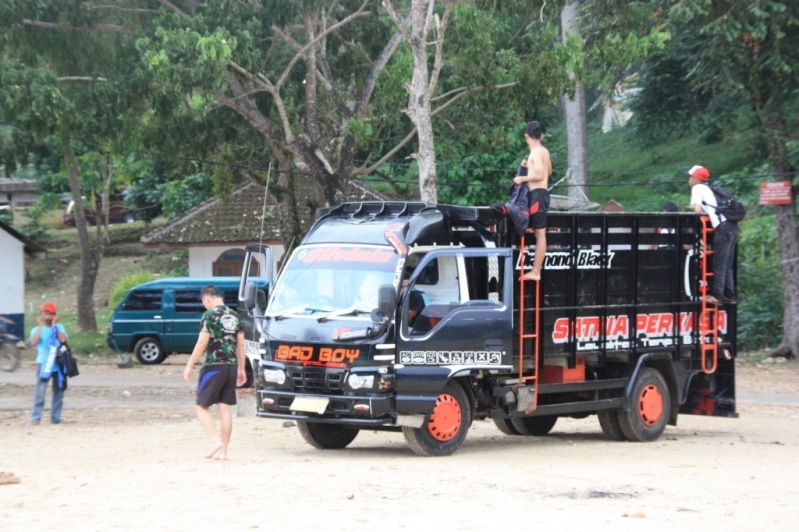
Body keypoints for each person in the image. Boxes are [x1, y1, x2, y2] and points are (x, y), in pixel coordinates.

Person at [183, 285, 247, 460]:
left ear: (207, 300)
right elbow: (241, 345)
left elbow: (202, 342)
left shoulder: (209, 315)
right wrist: (242, 369)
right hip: (232, 367)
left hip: (214, 366)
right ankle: (223, 452)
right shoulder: (236, 316)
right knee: (224, 409)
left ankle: (214, 441)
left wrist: (189, 365)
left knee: (201, 406)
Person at [687, 165, 738, 305]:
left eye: (690, 177)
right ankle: (730, 295)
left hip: (722, 229)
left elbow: (697, 210)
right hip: (732, 228)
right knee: (727, 265)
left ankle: (717, 296)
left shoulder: (697, 188)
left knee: (719, 264)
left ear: (696, 179)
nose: (689, 180)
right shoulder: (711, 188)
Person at [516, 121, 552, 281]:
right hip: (541, 194)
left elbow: (540, 175)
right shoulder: (544, 151)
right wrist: (529, 166)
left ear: (526, 136)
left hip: (537, 194)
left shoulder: (536, 152)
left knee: (540, 233)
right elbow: (548, 170)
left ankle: (536, 271)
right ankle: (531, 265)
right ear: (542, 135)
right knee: (535, 230)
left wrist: (522, 177)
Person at [28, 302, 68, 424]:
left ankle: (55, 418)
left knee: (59, 392)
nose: (48, 317)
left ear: (55, 315)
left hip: (58, 365)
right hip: (43, 364)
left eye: (51, 314)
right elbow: (33, 342)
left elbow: (63, 340)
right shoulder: (36, 329)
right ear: (41, 314)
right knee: (40, 392)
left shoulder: (59, 327)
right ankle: (35, 418)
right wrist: (40, 327)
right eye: (46, 314)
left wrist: (54, 325)